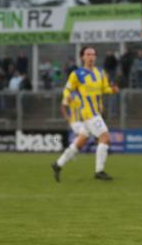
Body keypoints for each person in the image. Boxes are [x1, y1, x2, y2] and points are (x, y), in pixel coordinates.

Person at [51, 46, 119, 181]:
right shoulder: (76, 74)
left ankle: (58, 164)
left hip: (97, 111)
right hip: (88, 113)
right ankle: (99, 171)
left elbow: (104, 88)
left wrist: (113, 90)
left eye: (93, 54)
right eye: (88, 54)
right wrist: (67, 96)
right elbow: (68, 89)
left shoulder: (101, 72)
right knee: (105, 137)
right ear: (82, 57)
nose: (91, 57)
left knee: (80, 142)